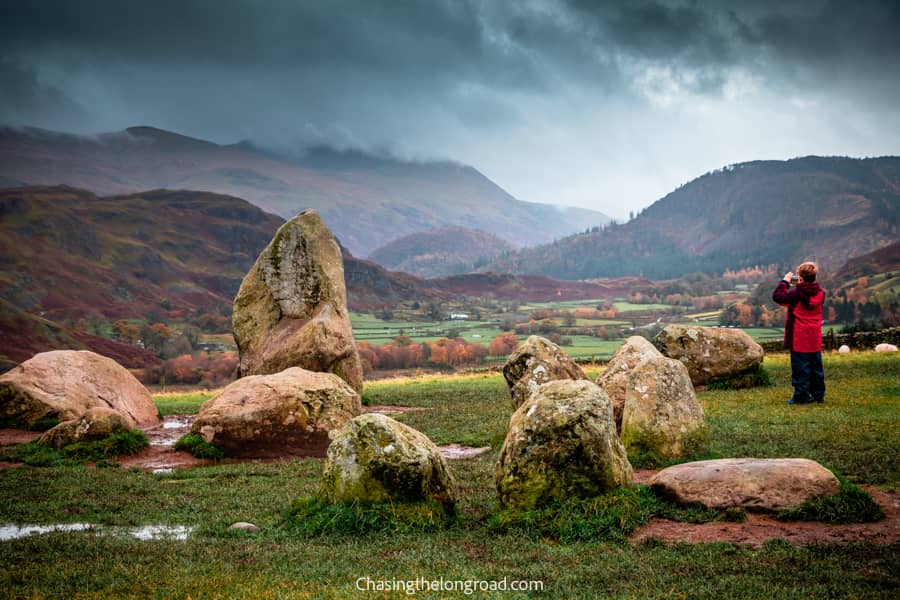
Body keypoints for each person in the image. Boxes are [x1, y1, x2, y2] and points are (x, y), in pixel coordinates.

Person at [772, 261, 826, 404]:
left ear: (800, 278)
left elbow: (778, 297)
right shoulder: (821, 294)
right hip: (815, 337)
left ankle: (801, 396)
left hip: (799, 337)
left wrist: (785, 282)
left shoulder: (797, 294)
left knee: (801, 369)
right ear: (815, 277)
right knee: (816, 368)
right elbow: (809, 296)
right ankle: (818, 394)